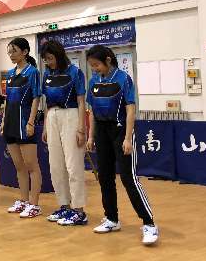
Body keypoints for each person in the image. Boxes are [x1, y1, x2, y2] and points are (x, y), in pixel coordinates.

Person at [86, 45, 157, 245]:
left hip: (121, 130)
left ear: (108, 60)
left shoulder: (123, 79)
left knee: (128, 178)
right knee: (105, 177)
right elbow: (92, 112)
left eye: (97, 64)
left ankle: (149, 223)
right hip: (101, 132)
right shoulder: (94, 81)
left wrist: (127, 138)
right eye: (92, 66)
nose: (95, 68)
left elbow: (130, 109)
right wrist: (91, 137)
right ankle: (112, 219)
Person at [40, 40, 89, 226]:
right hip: (52, 116)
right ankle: (64, 205)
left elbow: (82, 101)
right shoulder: (47, 75)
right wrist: (45, 127)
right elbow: (46, 102)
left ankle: (79, 211)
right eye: (46, 59)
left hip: (71, 115)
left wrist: (81, 130)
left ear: (59, 55)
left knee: (73, 165)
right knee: (56, 166)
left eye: (51, 58)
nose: (49, 62)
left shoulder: (75, 72)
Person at [0, 38, 42, 218]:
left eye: (14, 51)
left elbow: (36, 98)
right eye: (9, 52)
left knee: (32, 165)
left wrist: (31, 122)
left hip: (24, 123)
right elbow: (7, 100)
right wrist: (3, 121)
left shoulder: (32, 72)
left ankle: (35, 205)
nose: (11, 55)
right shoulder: (10, 74)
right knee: (19, 165)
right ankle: (23, 201)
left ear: (25, 52)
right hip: (10, 123)